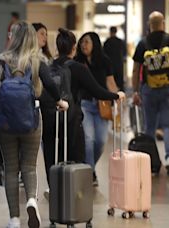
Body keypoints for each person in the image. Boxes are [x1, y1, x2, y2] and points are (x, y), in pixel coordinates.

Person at [0, 21, 69, 228]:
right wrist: (60, 101)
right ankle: (31, 199)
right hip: (31, 119)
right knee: (29, 167)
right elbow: (50, 86)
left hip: (5, 124)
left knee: (11, 169)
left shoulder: (1, 61)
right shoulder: (37, 60)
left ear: (13, 38)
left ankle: (14, 218)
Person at [40, 28, 125, 199]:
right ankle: (74, 194)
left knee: (51, 155)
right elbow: (97, 90)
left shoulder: (47, 66)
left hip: (50, 119)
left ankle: (54, 190)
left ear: (57, 47)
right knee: (75, 156)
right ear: (73, 48)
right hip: (71, 121)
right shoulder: (77, 68)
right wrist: (116, 95)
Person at [132, 11, 169, 175]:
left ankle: (150, 161)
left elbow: (136, 69)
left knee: (149, 126)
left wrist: (135, 91)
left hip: (149, 90)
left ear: (149, 24)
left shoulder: (143, 43)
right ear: (163, 23)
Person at [75, 32, 120, 186]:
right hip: (84, 105)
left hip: (102, 106)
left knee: (100, 141)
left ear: (95, 43)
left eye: (86, 42)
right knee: (88, 139)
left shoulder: (105, 61)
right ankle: (90, 172)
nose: (83, 45)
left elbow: (110, 83)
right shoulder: (77, 62)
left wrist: (117, 99)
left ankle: (89, 166)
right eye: (81, 43)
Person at [103, 26, 126, 91]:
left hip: (110, 66)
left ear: (110, 32)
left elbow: (104, 54)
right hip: (119, 66)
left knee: (110, 85)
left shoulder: (107, 42)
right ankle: (120, 98)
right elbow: (124, 53)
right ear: (116, 32)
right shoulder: (120, 42)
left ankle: (112, 98)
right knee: (119, 84)